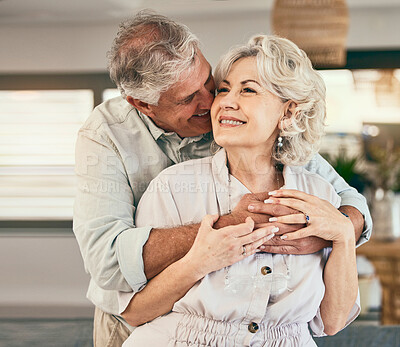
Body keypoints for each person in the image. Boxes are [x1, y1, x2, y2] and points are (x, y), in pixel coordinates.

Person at [72, 10, 371, 346]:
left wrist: (336, 233)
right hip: (138, 322)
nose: (213, 102)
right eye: (188, 98)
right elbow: (109, 262)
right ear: (143, 104)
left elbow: (347, 203)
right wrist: (227, 227)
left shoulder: (306, 179)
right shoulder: (110, 138)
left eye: (209, 82)